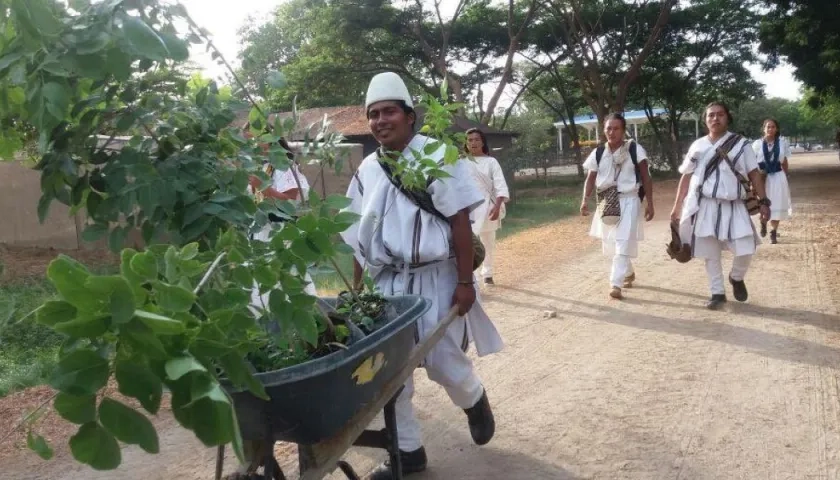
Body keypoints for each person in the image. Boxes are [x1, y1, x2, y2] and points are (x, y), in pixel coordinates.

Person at [339, 72, 503, 479]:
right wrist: (360, 290)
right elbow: (360, 234)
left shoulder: (438, 156)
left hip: (437, 278)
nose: (380, 120)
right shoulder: (367, 171)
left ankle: (474, 398)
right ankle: (408, 452)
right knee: (388, 374)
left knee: (443, 362)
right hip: (386, 283)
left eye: (389, 111)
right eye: (373, 114)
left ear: (409, 116)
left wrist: (465, 283)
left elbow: (460, 222)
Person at [670, 102, 771, 310]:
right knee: (709, 251)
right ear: (705, 120)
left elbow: (753, 173)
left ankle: (736, 277)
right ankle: (717, 292)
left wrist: (763, 201)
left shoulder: (742, 144)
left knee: (746, 248)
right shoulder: (697, 146)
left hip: (734, 205)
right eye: (711, 116)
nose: (715, 119)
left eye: (720, 115)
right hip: (706, 204)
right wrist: (677, 206)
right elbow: (686, 176)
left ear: (728, 118)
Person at [580, 113, 654, 300]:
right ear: (604, 130)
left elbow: (646, 177)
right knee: (612, 242)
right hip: (606, 201)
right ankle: (628, 272)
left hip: (629, 200)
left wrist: (650, 203)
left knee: (622, 240)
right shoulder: (598, 152)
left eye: (616, 128)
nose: (612, 132)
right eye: (608, 128)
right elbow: (590, 178)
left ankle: (615, 284)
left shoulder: (634, 150)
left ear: (623, 130)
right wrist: (584, 200)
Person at [245, 129, 317, 303]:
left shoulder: (285, 167)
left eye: (255, 140)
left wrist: (261, 186)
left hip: (280, 233)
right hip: (256, 234)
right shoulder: (257, 167)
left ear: (271, 140)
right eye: (247, 142)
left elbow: (291, 204)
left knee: (287, 278)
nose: (251, 145)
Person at [465, 128, 510, 285]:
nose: (473, 143)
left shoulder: (491, 162)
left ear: (482, 142)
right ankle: (473, 276)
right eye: (470, 140)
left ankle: (488, 273)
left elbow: (500, 184)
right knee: (468, 243)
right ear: (466, 143)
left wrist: (497, 206)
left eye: (477, 139)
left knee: (488, 242)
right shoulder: (461, 162)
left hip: (488, 207)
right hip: (468, 208)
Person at [751, 119, 792, 244]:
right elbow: (752, 163)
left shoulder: (783, 143)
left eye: (773, 127)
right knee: (764, 202)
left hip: (778, 176)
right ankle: (763, 222)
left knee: (777, 204)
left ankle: (773, 231)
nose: (770, 129)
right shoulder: (757, 144)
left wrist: (784, 177)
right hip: (763, 177)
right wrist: (753, 181)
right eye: (768, 127)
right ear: (764, 129)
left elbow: (784, 162)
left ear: (777, 129)